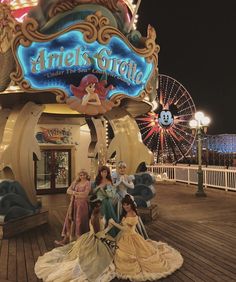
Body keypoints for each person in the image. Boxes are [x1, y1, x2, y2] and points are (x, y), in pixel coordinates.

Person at [35, 195, 116, 282]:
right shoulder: (95, 217)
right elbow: (98, 235)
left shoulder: (96, 213)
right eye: (100, 204)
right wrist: (109, 227)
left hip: (92, 236)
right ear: (97, 205)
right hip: (95, 240)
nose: (101, 205)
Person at [109, 195, 184, 281]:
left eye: (127, 205)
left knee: (135, 255)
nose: (125, 206)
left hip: (131, 237)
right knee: (119, 252)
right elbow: (123, 226)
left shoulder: (133, 214)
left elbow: (125, 229)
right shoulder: (126, 212)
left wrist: (114, 223)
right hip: (124, 237)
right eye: (124, 205)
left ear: (131, 205)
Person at [55, 170, 91, 246]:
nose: (82, 176)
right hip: (73, 204)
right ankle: (66, 239)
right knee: (69, 221)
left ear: (86, 175)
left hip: (82, 206)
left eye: (84, 175)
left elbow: (85, 194)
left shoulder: (87, 183)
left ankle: (79, 242)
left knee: (79, 221)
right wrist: (75, 193)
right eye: (81, 175)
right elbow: (68, 190)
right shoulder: (76, 182)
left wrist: (75, 193)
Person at [93, 165, 118, 237]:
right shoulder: (97, 180)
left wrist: (102, 190)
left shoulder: (109, 182)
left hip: (106, 201)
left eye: (106, 172)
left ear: (107, 173)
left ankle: (109, 233)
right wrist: (98, 187)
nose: (104, 173)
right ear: (100, 173)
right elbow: (93, 192)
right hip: (98, 201)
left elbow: (109, 195)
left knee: (107, 217)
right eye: (102, 172)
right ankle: (99, 232)